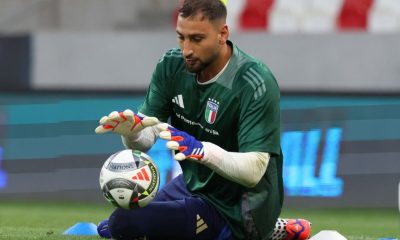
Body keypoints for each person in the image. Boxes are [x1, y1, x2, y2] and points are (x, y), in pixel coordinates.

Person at [95, 0, 311, 239]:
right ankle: (282, 228)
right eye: (181, 38)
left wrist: (201, 150)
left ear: (222, 34)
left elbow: (254, 170)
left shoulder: (254, 82)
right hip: (194, 184)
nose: (186, 49)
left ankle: (268, 230)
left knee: (123, 222)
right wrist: (132, 134)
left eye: (196, 39)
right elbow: (146, 138)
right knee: (108, 227)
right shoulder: (171, 66)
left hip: (239, 207)